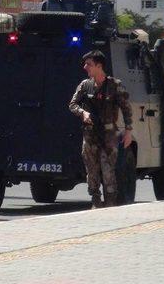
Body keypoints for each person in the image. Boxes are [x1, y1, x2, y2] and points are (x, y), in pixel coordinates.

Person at [69, 50, 133, 209]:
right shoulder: (85, 85)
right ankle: (96, 200)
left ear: (99, 65)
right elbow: (72, 105)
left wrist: (128, 131)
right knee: (91, 169)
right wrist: (82, 113)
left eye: (89, 64)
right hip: (90, 134)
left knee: (107, 169)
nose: (85, 67)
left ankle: (110, 201)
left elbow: (126, 108)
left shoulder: (114, 85)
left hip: (109, 135)